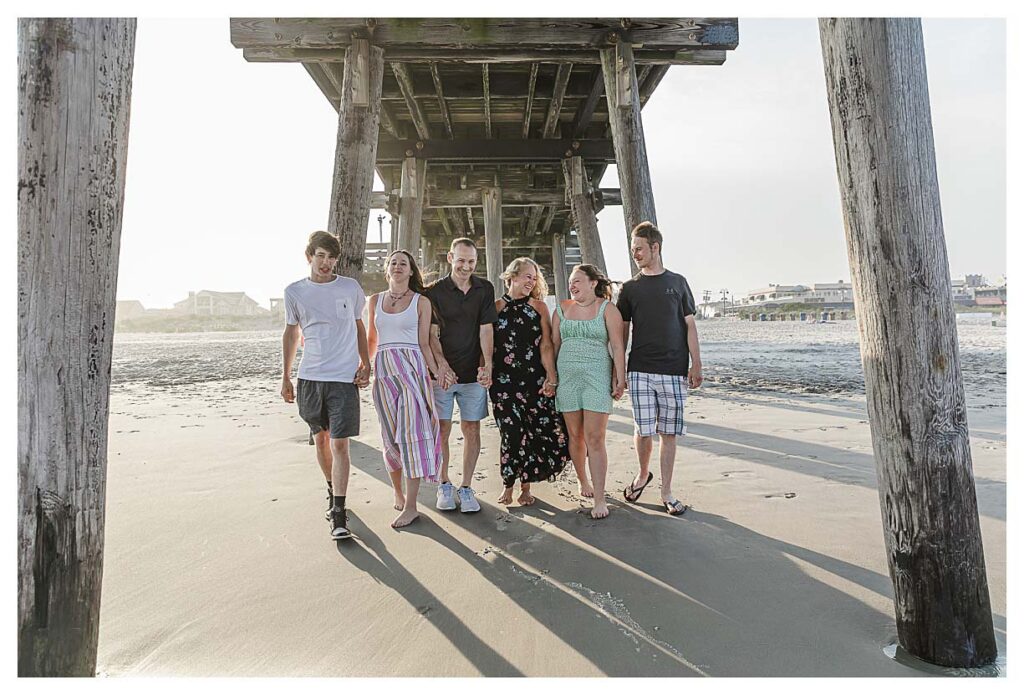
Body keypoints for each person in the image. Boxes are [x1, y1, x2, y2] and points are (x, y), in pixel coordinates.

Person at [281, 231, 370, 540]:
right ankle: (332, 489)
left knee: (340, 443)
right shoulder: (295, 292)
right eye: (321, 256)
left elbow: (359, 326)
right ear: (310, 256)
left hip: (344, 379)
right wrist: (285, 376)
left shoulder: (350, 288)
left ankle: (340, 511)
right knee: (321, 441)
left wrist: (366, 362)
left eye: (332, 258)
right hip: (310, 378)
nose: (326, 263)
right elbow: (291, 334)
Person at [617, 221, 703, 515]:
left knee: (669, 433)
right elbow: (622, 332)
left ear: (655, 247)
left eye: (639, 248)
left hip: (674, 369)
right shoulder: (629, 288)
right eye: (632, 249)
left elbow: (690, 325)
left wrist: (696, 363)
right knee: (643, 430)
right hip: (640, 368)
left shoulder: (678, 282)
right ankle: (643, 475)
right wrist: (620, 369)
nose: (635, 254)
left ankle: (666, 491)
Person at [367, 250, 444, 528]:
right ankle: (398, 492)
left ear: (411, 271)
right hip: (384, 371)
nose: (398, 267)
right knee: (391, 436)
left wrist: (438, 371)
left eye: (404, 263)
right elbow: (371, 340)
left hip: (412, 369)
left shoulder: (421, 302)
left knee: (412, 434)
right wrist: (364, 367)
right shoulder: (374, 301)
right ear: (387, 270)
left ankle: (411, 506)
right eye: (393, 263)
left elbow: (424, 343)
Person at [424, 238, 498, 513]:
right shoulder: (435, 292)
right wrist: (441, 366)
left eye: (471, 261)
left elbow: (486, 330)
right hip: (442, 376)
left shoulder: (484, 289)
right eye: (461, 260)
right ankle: (444, 484)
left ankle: (466, 487)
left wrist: (487, 365)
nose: (466, 266)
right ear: (450, 258)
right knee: (442, 429)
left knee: (472, 428)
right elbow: (431, 335)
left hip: (472, 374)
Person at [490, 257, 570, 506]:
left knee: (534, 431)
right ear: (512, 276)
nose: (531, 282)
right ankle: (508, 483)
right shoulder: (495, 308)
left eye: (534, 278)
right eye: (527, 276)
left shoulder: (539, 307)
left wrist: (551, 376)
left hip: (533, 380)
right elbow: (487, 344)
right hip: (503, 382)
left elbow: (546, 344)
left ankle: (525, 488)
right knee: (510, 432)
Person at [551, 264, 626, 519]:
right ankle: (583, 481)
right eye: (571, 281)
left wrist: (620, 378)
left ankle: (600, 497)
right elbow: (553, 346)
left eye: (578, 281)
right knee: (575, 435)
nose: (572, 285)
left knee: (594, 437)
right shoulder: (561, 308)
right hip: (568, 380)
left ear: (593, 283)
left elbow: (617, 347)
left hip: (597, 378)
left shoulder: (608, 309)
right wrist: (552, 378)